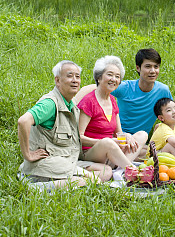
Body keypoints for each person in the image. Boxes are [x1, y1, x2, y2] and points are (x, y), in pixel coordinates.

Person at [18, 60, 112, 191]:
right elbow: (23, 121)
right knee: (91, 180)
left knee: (106, 171)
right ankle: (36, 187)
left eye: (77, 76)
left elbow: (89, 89)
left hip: (67, 160)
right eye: (69, 76)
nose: (75, 80)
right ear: (57, 80)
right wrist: (28, 154)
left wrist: (105, 83)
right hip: (47, 162)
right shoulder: (50, 104)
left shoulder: (70, 102)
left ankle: (67, 182)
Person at [75, 49, 174, 137]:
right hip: (118, 135)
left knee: (145, 142)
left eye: (156, 67)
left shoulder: (163, 90)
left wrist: (173, 136)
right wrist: (73, 106)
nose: (152, 71)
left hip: (139, 138)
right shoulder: (125, 88)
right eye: (148, 66)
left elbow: (173, 114)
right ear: (138, 68)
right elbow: (92, 87)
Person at [77, 55, 147, 168]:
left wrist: (127, 136)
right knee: (106, 142)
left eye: (117, 76)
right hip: (90, 152)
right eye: (110, 74)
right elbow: (79, 137)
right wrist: (106, 142)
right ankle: (131, 169)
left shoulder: (113, 101)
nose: (114, 79)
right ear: (99, 78)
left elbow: (119, 133)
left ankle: (120, 168)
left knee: (142, 135)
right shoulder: (89, 101)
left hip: (111, 149)